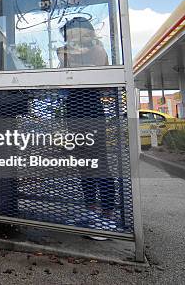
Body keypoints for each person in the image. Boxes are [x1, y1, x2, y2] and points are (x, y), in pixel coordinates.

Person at [58, 17, 116, 237]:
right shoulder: (65, 52)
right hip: (73, 108)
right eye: (71, 35)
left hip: (90, 107)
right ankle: (91, 209)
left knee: (99, 163)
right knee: (83, 163)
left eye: (81, 34)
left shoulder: (97, 50)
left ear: (90, 35)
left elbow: (98, 71)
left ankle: (108, 214)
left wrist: (67, 54)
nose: (76, 39)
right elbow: (62, 78)